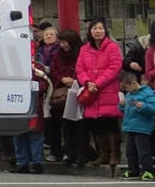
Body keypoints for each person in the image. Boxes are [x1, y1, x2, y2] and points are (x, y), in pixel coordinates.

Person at [76, 18, 124, 169]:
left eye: (101, 28)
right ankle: (103, 155)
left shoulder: (112, 47)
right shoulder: (84, 49)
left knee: (111, 123)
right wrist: (87, 82)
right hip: (92, 92)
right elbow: (79, 69)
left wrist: (98, 83)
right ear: (90, 31)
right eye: (95, 28)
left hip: (108, 90)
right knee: (97, 124)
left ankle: (115, 154)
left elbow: (115, 68)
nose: (98, 31)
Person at [11, 45, 51, 174]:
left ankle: (37, 162)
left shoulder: (37, 67)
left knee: (35, 136)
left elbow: (44, 85)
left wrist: (29, 87)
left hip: (33, 105)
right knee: (19, 135)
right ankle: (22, 162)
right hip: (16, 102)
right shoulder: (13, 66)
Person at [52, 29, 87, 166]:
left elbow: (85, 68)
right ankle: (70, 153)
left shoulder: (81, 53)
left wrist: (75, 81)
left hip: (79, 90)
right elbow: (54, 69)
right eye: (61, 42)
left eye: (64, 42)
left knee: (80, 124)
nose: (63, 45)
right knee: (66, 125)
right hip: (63, 93)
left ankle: (81, 154)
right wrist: (62, 78)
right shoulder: (58, 55)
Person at [117, 70, 155, 181]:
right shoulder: (129, 95)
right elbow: (126, 110)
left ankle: (148, 171)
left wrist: (142, 105)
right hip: (130, 126)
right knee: (130, 151)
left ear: (133, 83)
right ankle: (133, 170)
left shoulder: (147, 93)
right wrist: (121, 105)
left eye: (126, 87)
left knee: (143, 151)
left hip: (142, 127)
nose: (126, 90)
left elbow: (153, 108)